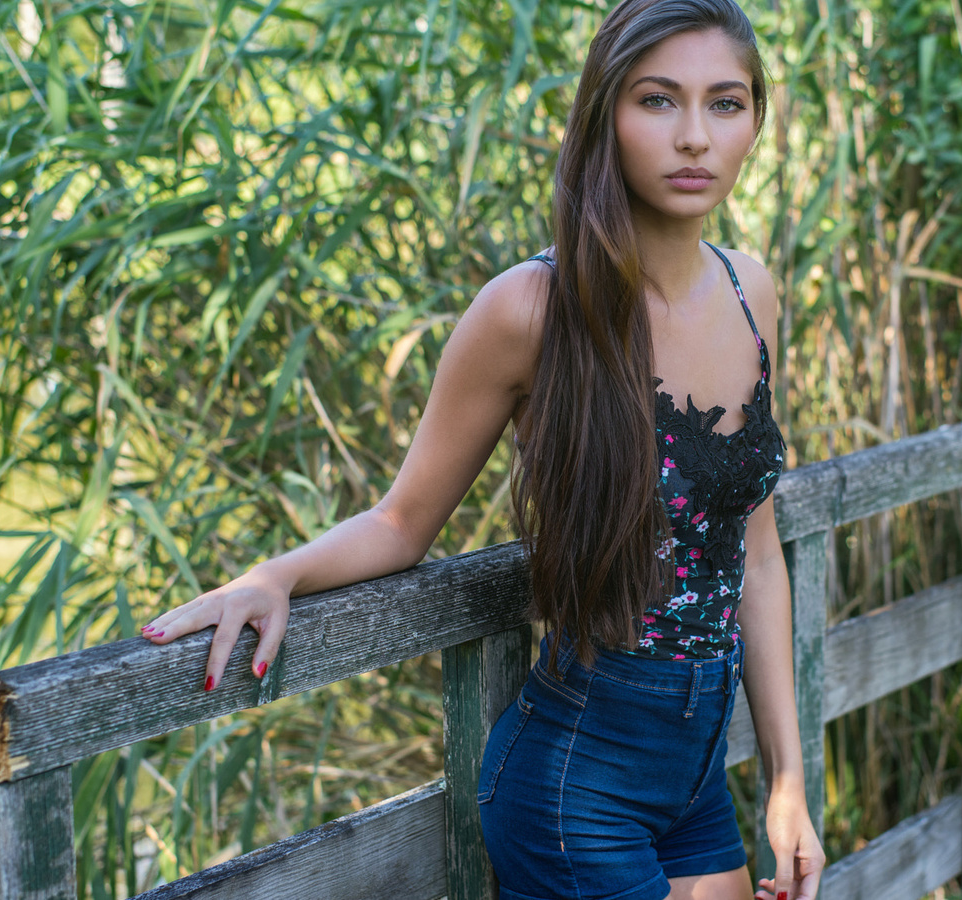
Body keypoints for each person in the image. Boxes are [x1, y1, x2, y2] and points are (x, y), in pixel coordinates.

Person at [139, 0, 824, 895]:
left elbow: (759, 560)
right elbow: (401, 521)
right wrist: (276, 576)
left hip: (697, 778)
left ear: (756, 120)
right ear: (605, 116)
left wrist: (786, 781)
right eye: (659, 100)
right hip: (579, 777)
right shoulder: (531, 310)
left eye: (725, 103)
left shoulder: (751, 292)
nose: (694, 136)